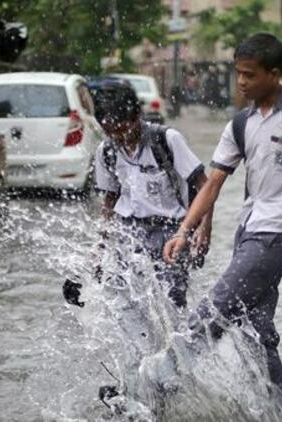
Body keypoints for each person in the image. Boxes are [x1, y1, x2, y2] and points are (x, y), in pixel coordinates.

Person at [163, 33, 282, 401]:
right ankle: (279, 408)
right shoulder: (239, 125)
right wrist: (185, 229)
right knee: (256, 328)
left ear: (274, 73)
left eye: (250, 75)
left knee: (215, 308)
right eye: (239, 74)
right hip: (249, 230)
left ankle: (161, 377)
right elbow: (212, 183)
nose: (242, 82)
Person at [90, 80, 212, 405]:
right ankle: (140, 377)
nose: (119, 135)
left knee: (170, 306)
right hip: (130, 232)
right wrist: (99, 247)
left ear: (136, 116)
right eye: (111, 129)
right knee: (129, 303)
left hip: (172, 232)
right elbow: (110, 200)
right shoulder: (107, 150)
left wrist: (203, 230)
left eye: (124, 127)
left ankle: (170, 377)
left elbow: (204, 183)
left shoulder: (165, 139)